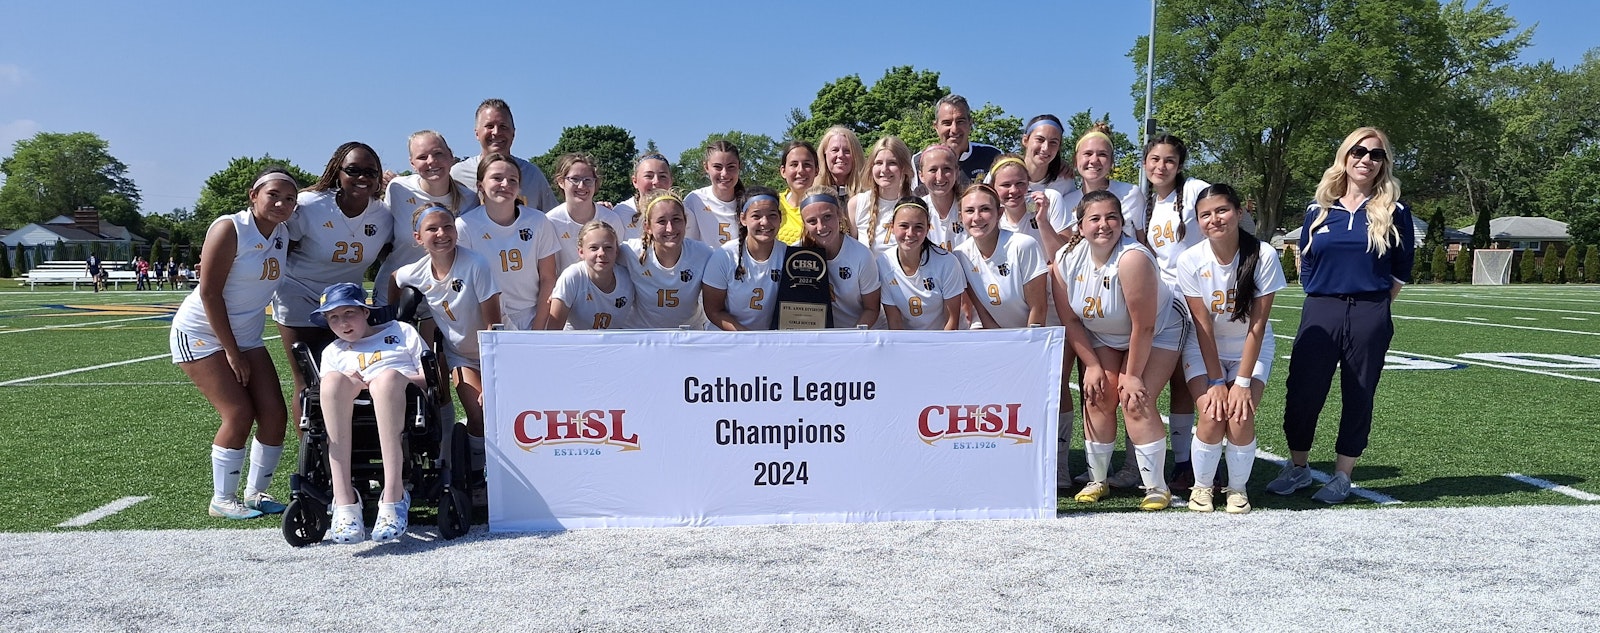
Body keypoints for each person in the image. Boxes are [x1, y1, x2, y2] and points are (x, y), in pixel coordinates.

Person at [1271, 127, 1415, 504]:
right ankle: (1298, 467)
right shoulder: (1318, 209)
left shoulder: (1395, 211)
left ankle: (1342, 475)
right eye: (1359, 151)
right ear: (1345, 156)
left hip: (1370, 310)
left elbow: (1402, 269)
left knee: (1359, 392)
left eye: (1376, 154)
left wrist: (1376, 305)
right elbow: (1306, 259)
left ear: (1384, 163)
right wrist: (1325, 293)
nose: (1366, 159)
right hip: (1321, 307)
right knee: (1303, 390)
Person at [169, 167, 297, 519]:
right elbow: (209, 292)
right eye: (273, 194)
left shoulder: (283, 233)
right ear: (253, 195)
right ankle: (222, 499)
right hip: (201, 333)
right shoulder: (231, 227)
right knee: (238, 413)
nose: (281, 203)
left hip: (246, 334)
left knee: (274, 413)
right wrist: (232, 352)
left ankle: (256, 493)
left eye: (290, 198)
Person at [1052, 190, 1184, 511]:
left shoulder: (1132, 258)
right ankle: (1099, 480)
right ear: (1080, 226)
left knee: (1134, 399)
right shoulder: (1066, 259)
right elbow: (1070, 319)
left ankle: (1156, 486)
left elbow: (1144, 326)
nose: (1103, 225)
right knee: (1097, 394)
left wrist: (1133, 374)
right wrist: (1093, 365)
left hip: (1160, 329)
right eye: (1094, 218)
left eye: (1111, 217)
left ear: (1122, 222)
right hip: (1105, 334)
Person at [1176, 183, 1286, 514]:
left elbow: (1257, 325)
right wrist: (1214, 381)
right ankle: (1202, 487)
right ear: (1198, 222)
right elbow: (1203, 326)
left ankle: (1237, 489)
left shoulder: (1264, 255)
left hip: (1249, 349)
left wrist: (1240, 383)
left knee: (1240, 416)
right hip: (1204, 347)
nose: (1215, 219)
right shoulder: (1190, 260)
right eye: (1205, 215)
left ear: (1239, 213)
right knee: (1211, 414)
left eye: (1222, 211)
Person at [273, 142, 392, 425]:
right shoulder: (311, 205)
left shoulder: (384, 215)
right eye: (353, 170)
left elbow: (398, 252)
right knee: (307, 377)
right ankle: (312, 451)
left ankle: (342, 448)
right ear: (337, 172)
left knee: (348, 377)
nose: (362, 177)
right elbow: (275, 242)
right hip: (299, 293)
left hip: (346, 302)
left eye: (370, 172)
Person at [313, 282, 427, 543]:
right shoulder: (333, 352)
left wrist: (394, 378)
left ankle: (393, 496)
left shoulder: (402, 332)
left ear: (365, 311)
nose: (343, 323)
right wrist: (357, 382)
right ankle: (343, 501)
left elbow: (429, 378)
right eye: (333, 318)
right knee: (330, 382)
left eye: (349, 313)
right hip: (352, 414)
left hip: (402, 403)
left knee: (386, 380)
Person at [392, 205, 502, 472]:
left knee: (498, 412)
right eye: (432, 228)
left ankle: (496, 470)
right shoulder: (416, 271)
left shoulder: (476, 264)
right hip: (461, 355)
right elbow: (395, 279)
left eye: (448, 227)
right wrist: (395, 317)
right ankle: (478, 473)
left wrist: (493, 376)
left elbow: (494, 324)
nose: (442, 233)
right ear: (418, 237)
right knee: (477, 414)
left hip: (493, 353)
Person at [1141, 134, 1211, 494]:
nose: (1161, 166)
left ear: (1180, 165)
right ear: (1145, 162)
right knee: (1168, 381)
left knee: (1190, 383)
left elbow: (1223, 219)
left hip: (1197, 299)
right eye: (1154, 159)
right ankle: (1176, 462)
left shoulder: (1197, 189)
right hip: (1166, 304)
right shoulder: (1150, 202)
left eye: (1169, 160)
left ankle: (1189, 464)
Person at [456, 153, 561, 330]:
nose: (505, 184)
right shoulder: (465, 226)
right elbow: (465, 287)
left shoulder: (538, 221)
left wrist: (537, 329)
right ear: (480, 186)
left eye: (513, 180)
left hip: (532, 317)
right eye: (497, 178)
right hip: (485, 320)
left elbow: (548, 278)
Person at [376, 130, 479, 310]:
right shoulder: (398, 188)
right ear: (412, 163)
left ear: (450, 156)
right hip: (393, 291)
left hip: (443, 299)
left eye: (438, 153)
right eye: (422, 157)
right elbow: (385, 239)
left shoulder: (469, 199)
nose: (431, 161)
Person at [951, 183, 1048, 329]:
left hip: (1042, 332)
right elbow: (983, 312)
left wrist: (1028, 346)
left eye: (985, 209)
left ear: (1000, 213)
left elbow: (1038, 309)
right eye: (969, 211)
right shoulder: (961, 255)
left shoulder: (1023, 245)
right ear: (961, 217)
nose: (977, 218)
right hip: (1005, 336)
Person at [622, 189, 715, 329]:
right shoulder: (630, 252)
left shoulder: (703, 254)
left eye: (676, 219)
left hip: (689, 335)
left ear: (685, 221)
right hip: (642, 337)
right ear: (648, 227)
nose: (670, 228)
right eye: (661, 221)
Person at [449, 98, 558, 212]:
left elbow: (552, 220)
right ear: (477, 133)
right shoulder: (458, 176)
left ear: (513, 133)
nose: (496, 132)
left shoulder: (532, 176)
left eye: (503, 126)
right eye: (489, 126)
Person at [703, 186, 787, 331]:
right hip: (730, 339)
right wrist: (747, 337)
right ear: (743, 219)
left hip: (771, 343)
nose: (765, 222)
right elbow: (714, 311)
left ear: (780, 218)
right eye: (756, 216)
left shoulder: (789, 256)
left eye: (772, 215)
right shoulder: (725, 255)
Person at [797, 185, 882, 328]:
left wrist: (851, 338)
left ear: (840, 214)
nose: (821, 226)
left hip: (856, 334)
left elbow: (872, 309)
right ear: (804, 224)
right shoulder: (796, 253)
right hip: (818, 337)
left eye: (827, 217)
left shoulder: (861, 255)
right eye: (812, 221)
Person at [877, 198, 965, 330]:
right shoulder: (884, 263)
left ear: (928, 229)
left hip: (945, 341)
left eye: (918, 227)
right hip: (911, 343)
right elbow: (894, 321)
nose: (910, 233)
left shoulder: (947, 263)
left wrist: (941, 349)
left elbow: (951, 322)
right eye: (904, 226)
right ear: (892, 227)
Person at [1053, 124, 1148, 245]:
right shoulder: (1066, 201)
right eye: (1087, 153)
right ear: (1075, 160)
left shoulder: (1131, 194)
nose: (1094, 160)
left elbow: (1144, 242)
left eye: (1102, 154)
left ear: (1112, 161)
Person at [548, 221, 635, 330]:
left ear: (616, 251)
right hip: (577, 344)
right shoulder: (572, 277)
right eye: (594, 248)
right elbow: (553, 331)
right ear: (581, 252)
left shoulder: (628, 277)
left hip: (614, 344)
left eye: (608, 247)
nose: (601, 253)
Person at [545, 153, 625, 270]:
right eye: (574, 179)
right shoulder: (550, 222)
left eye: (588, 180)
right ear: (561, 182)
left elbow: (620, 262)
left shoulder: (611, 219)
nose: (582, 186)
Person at [912, 94, 1003, 190]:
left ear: (970, 123)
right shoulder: (919, 160)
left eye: (960, 121)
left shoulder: (993, 156)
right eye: (947, 123)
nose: (954, 129)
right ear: (936, 127)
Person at [849, 136, 914, 255]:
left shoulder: (916, 205)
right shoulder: (857, 204)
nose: (884, 169)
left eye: (892, 163)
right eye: (878, 163)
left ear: (904, 168)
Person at [614, 153, 691, 243]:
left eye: (662, 176)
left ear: (671, 181)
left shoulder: (683, 212)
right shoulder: (620, 213)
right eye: (648, 176)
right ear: (635, 181)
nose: (656, 182)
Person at [686, 140, 745, 246]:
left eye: (731, 166)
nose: (724, 174)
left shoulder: (748, 202)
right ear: (706, 167)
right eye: (717, 167)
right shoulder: (694, 200)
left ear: (739, 166)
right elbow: (688, 245)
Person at [919, 144, 965, 251]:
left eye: (947, 169)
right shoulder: (918, 210)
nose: (940, 177)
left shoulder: (970, 207)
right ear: (921, 176)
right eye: (933, 170)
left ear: (957, 172)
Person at [776, 141, 819, 246]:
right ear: (783, 171)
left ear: (816, 170)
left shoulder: (824, 207)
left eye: (807, 164)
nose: (800, 170)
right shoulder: (773, 204)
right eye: (794, 164)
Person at [1023, 114, 1074, 199]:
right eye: (1040, 140)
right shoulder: (1002, 175)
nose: (1045, 148)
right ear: (1025, 140)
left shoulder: (1064, 182)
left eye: (1053, 142)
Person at [818, 125, 866, 198]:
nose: (840, 155)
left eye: (847, 151)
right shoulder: (813, 194)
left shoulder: (868, 195)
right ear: (824, 154)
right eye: (835, 150)